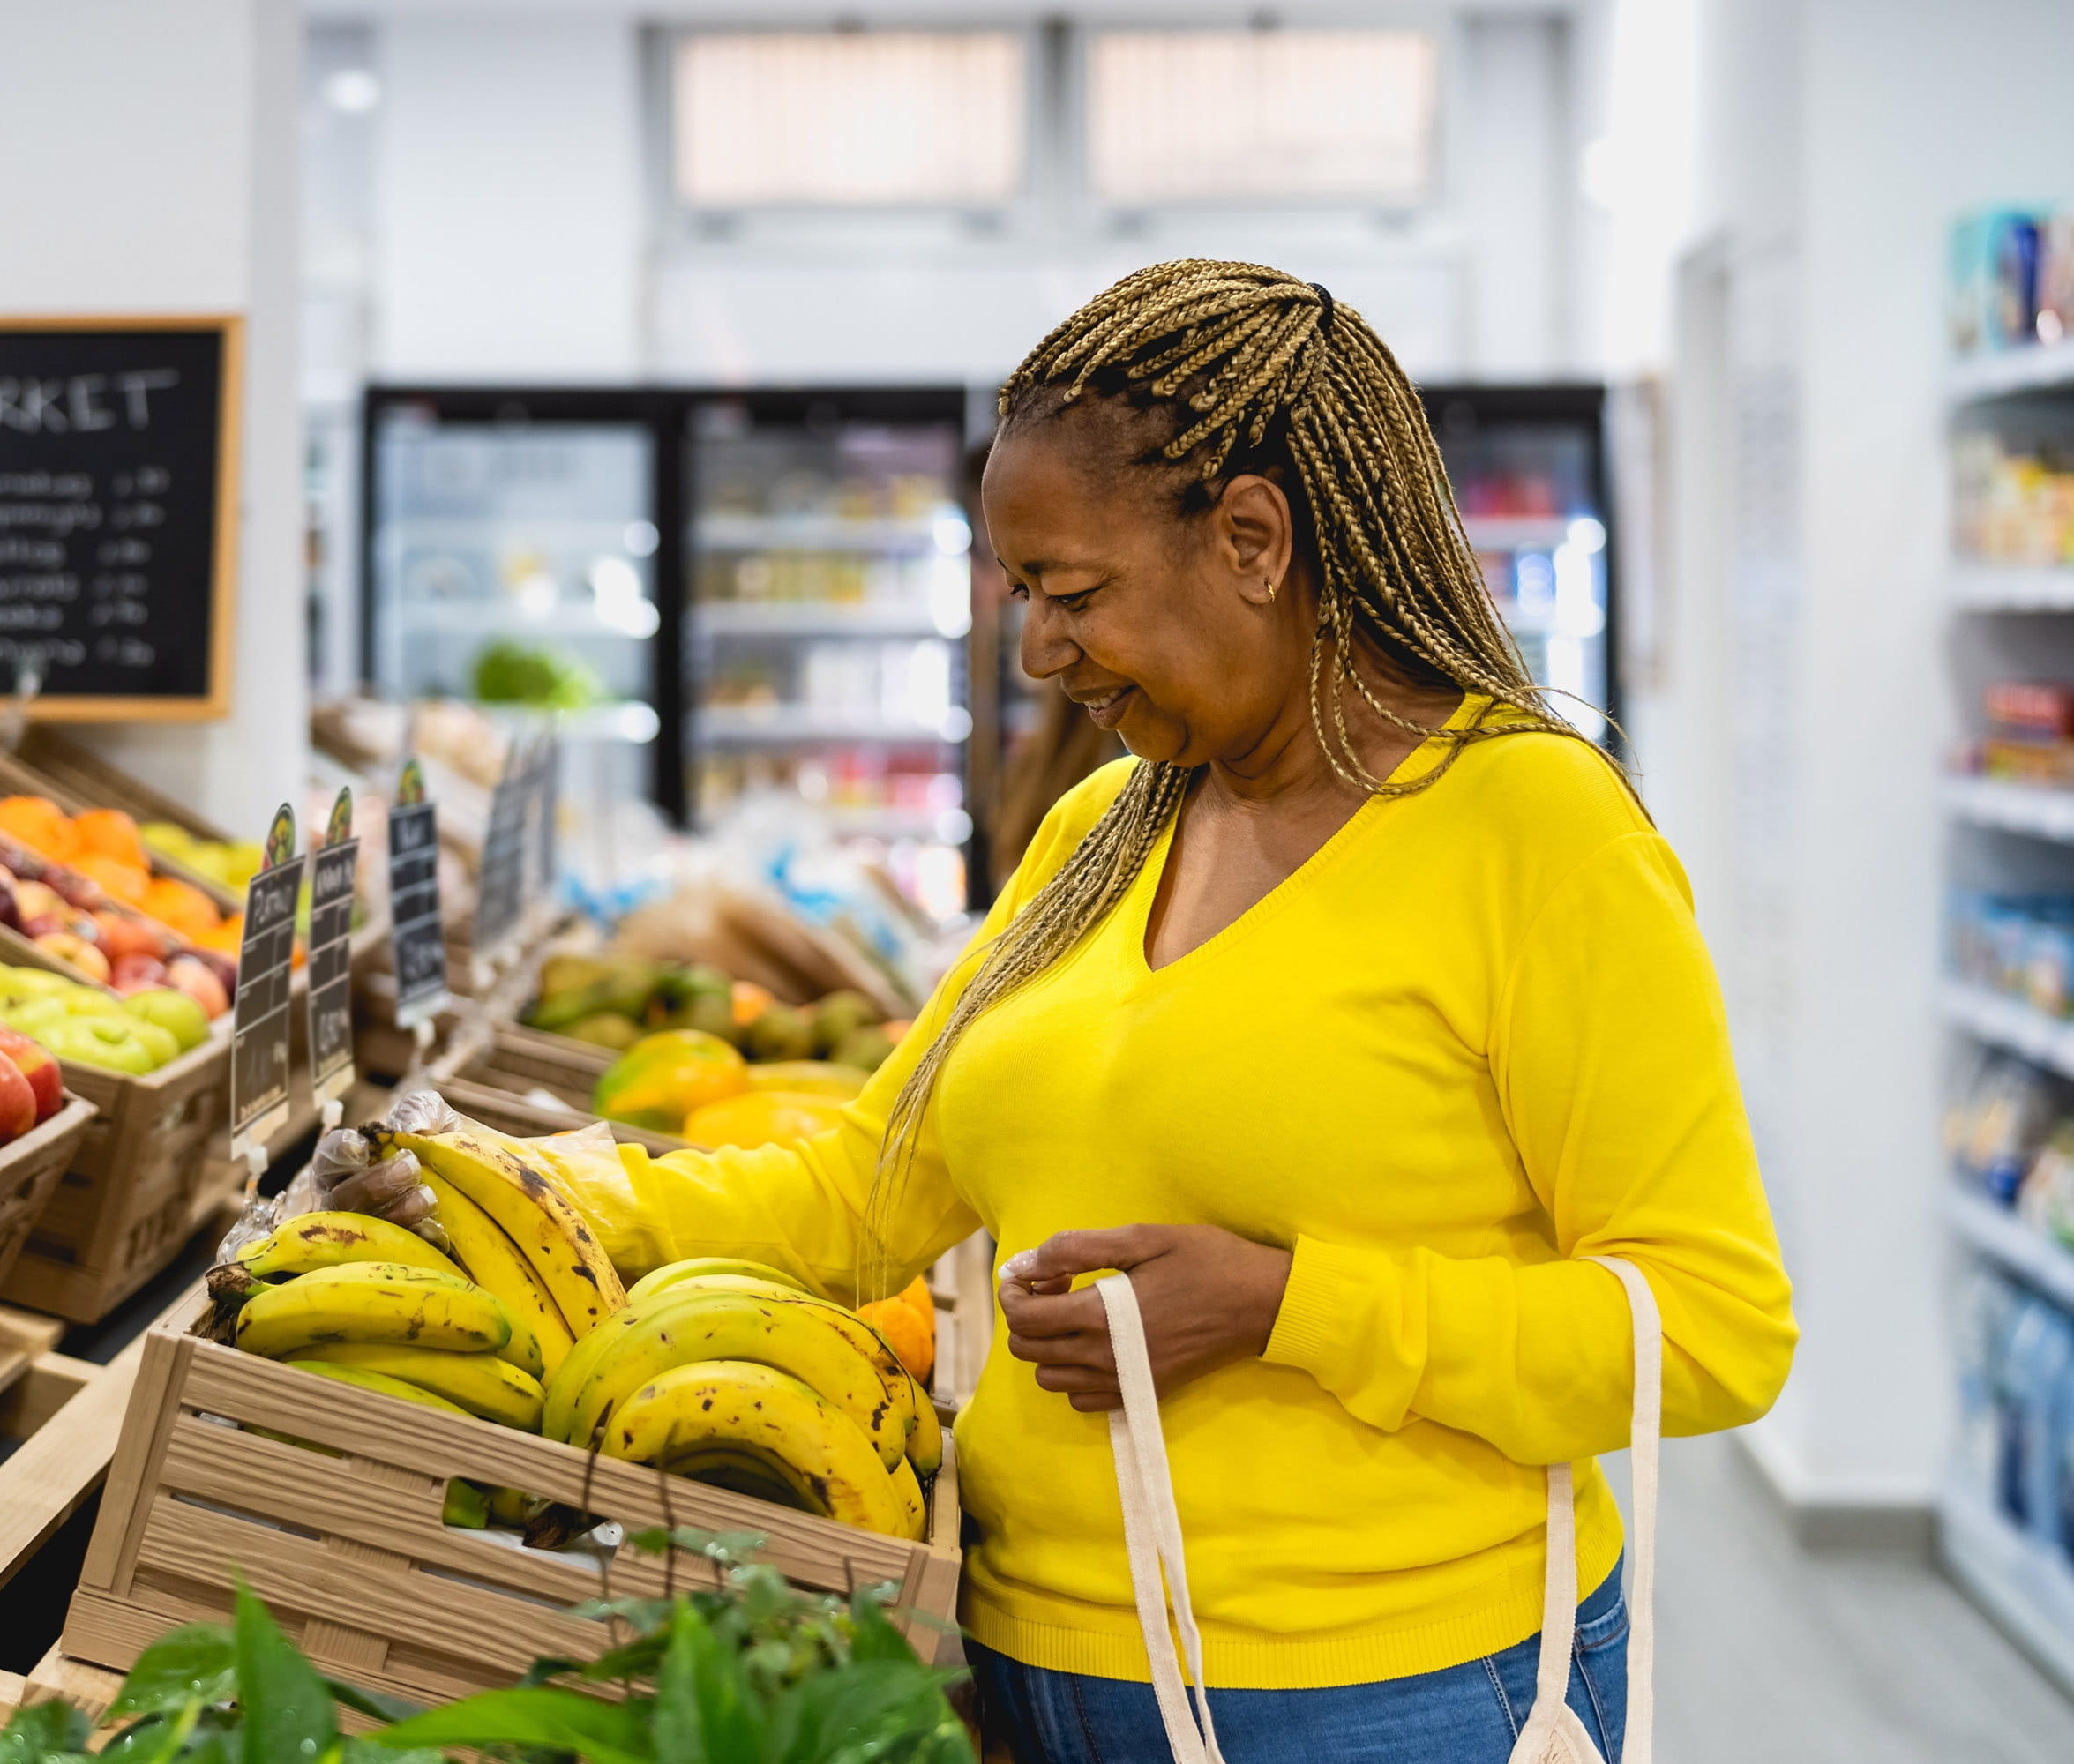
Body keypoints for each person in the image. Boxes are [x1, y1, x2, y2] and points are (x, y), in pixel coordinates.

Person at [318, 260, 1795, 1764]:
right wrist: (511, 1184)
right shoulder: (1109, 827)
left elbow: (1713, 1328)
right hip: (1022, 1666)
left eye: (1072, 593)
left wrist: (1288, 1305)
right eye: (1019, 594)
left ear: (1252, 540)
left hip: (1388, 1697)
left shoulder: (1536, 830)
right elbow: (860, 1187)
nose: (1035, 651)